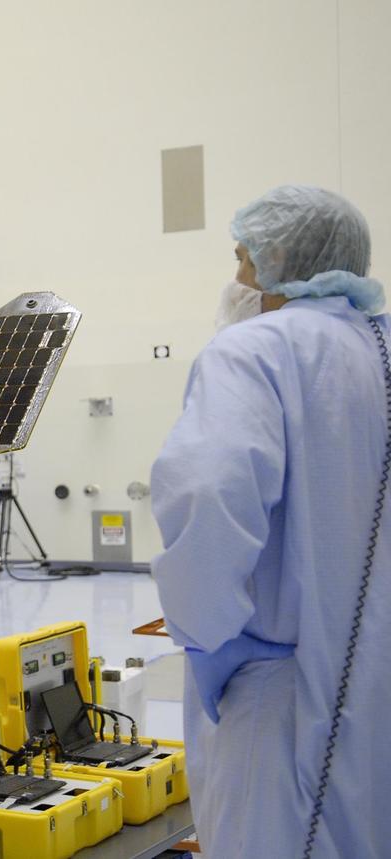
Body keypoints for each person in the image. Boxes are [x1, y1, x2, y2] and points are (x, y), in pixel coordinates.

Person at [152, 185, 390, 858]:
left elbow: (207, 492)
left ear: (278, 260)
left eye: (243, 258)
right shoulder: (379, 351)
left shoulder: (254, 351)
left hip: (280, 701)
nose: (236, 279)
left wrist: (210, 641)